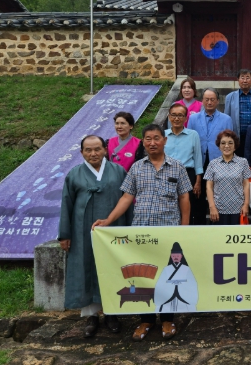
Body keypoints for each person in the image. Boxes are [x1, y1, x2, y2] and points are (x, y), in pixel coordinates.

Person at [92, 124, 191, 342]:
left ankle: (167, 319)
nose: (152, 143)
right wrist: (108, 221)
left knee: (168, 276)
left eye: (156, 138)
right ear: (143, 142)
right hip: (141, 234)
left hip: (169, 233)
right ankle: (146, 319)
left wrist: (184, 229)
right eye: (148, 139)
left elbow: (184, 198)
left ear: (164, 140)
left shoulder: (177, 167)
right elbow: (127, 197)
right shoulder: (136, 168)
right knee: (143, 276)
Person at [59, 135, 132, 338]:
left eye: (97, 149)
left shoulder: (118, 171)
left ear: (105, 150)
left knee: (112, 267)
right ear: (81, 152)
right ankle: (91, 315)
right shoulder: (74, 174)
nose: (93, 154)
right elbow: (66, 204)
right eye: (88, 150)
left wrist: (130, 230)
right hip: (82, 231)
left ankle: (111, 313)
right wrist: (64, 234)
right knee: (86, 267)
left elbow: (127, 201)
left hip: (113, 229)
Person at [187, 88, 233, 225]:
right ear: (202, 101)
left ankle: (218, 224)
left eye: (212, 99)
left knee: (218, 194)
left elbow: (231, 141)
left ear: (218, 101)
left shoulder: (226, 119)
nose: (209, 102)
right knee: (198, 195)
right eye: (206, 99)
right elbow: (190, 140)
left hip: (219, 161)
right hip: (199, 161)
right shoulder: (193, 118)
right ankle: (199, 225)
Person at [165, 103, 204, 226]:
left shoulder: (193, 135)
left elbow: (198, 158)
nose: (177, 118)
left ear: (186, 118)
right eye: (174, 115)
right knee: (169, 204)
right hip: (167, 173)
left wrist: (198, 181)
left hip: (187, 174)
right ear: (169, 117)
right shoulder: (163, 135)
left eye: (180, 115)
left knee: (188, 206)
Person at [204, 129, 251, 225]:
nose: (226, 146)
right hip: (218, 210)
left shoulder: (243, 162)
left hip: (238, 209)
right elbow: (209, 187)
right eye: (223, 143)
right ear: (219, 146)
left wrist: (246, 204)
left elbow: (246, 185)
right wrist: (212, 207)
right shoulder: (213, 163)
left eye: (230, 143)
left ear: (235, 146)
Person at [224, 69, 251, 156]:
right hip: (237, 136)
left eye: (247, 78)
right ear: (238, 80)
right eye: (242, 78)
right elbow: (226, 117)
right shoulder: (230, 97)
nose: (245, 80)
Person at [154, 242, 198, 313]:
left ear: (181, 256)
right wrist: (170, 284)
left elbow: (192, 283)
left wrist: (181, 284)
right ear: (171, 256)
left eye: (177, 256)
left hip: (183, 295)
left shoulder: (186, 269)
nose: (176, 257)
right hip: (168, 295)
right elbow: (160, 283)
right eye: (174, 256)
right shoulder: (166, 269)